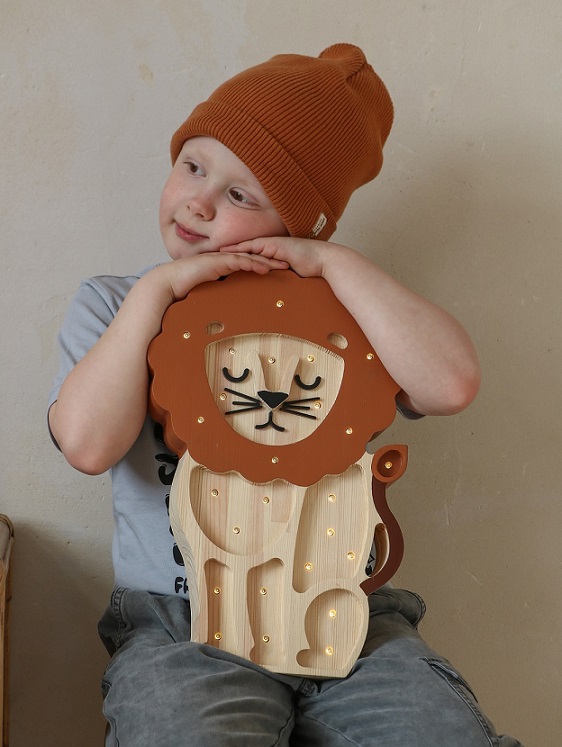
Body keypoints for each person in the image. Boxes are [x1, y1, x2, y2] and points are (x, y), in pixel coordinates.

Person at [48, 44, 522, 746]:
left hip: (345, 615)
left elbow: (451, 383)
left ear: (298, 223)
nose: (199, 202)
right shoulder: (116, 304)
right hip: (184, 626)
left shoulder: (348, 311)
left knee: (441, 730)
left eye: (241, 195)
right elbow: (88, 446)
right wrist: (155, 293)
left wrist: (332, 263)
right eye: (193, 166)